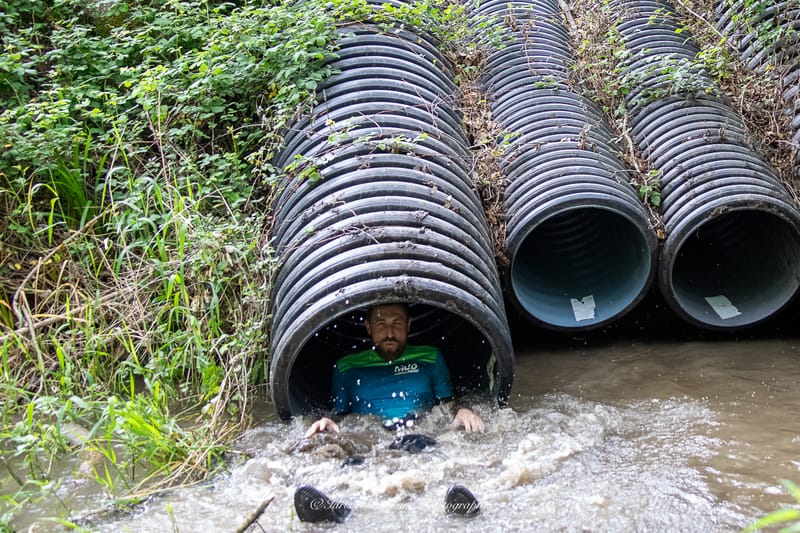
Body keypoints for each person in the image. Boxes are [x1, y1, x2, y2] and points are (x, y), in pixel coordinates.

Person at [295, 302, 484, 523]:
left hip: (417, 431)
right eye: (381, 324)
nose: (389, 332)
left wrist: (463, 411)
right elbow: (340, 412)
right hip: (369, 435)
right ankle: (339, 510)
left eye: (397, 324)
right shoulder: (346, 367)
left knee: (425, 452)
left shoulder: (430, 357)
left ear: (408, 325)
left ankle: (454, 504)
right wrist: (326, 420)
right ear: (368, 327)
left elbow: (447, 403)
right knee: (351, 459)